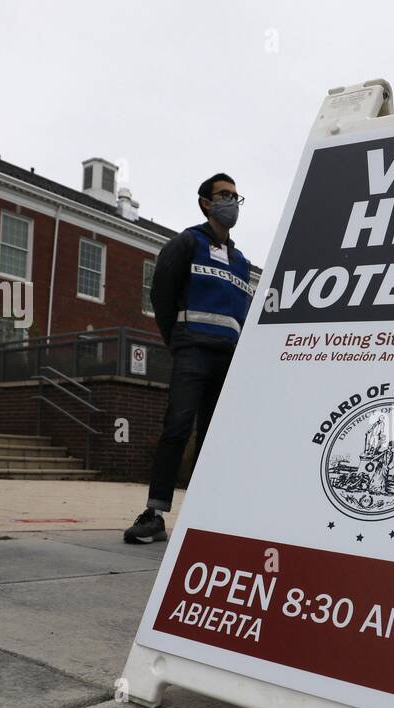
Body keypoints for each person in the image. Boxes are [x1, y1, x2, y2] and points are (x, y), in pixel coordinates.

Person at [124, 174, 253, 544]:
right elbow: (161, 295)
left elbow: (241, 314)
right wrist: (177, 340)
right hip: (192, 351)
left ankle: (201, 514)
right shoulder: (186, 243)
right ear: (206, 203)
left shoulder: (241, 261)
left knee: (212, 438)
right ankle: (154, 514)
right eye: (223, 195)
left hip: (226, 359)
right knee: (177, 427)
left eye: (235, 196)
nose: (231, 202)